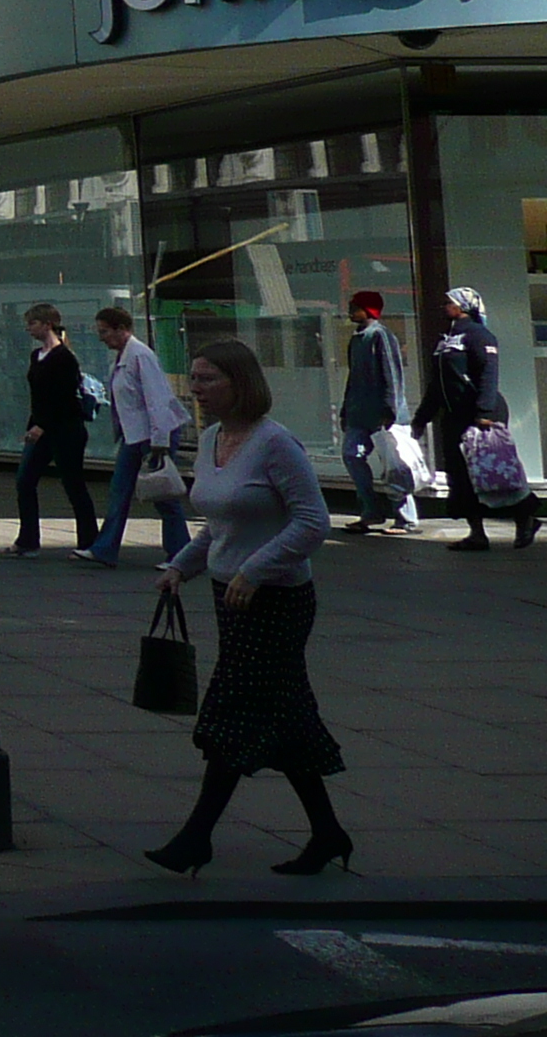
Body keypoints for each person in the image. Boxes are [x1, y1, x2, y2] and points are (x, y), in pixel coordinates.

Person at [144, 338, 349, 877]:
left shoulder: (276, 444)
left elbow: (313, 522)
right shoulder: (212, 439)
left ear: (241, 382)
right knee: (282, 718)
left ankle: (196, 838)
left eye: (209, 379)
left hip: (276, 599)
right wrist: (180, 567)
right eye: (194, 377)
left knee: (231, 715)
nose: (197, 389)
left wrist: (255, 570)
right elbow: (220, 524)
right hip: (228, 595)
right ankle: (327, 833)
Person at [415, 286, 538, 552]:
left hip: (481, 414)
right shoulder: (446, 339)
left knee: (492, 471)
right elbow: (438, 384)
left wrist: (483, 412)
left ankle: (525, 515)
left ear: (463, 306)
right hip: (454, 416)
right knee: (460, 475)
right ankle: (477, 533)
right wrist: (421, 418)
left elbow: (488, 374)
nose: (444, 306)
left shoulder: (478, 335)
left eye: (449, 302)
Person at [79, 306, 191, 568]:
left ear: (121, 329)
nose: (101, 337)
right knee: (120, 491)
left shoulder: (141, 356)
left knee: (163, 494)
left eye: (104, 331)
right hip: (134, 436)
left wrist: (160, 441)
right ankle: (104, 549)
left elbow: (157, 399)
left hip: (152, 435)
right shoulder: (122, 358)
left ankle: (181, 553)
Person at [11, 304, 99, 557]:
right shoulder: (36, 355)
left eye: (33, 323)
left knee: (73, 483)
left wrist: (42, 425)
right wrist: (34, 425)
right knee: (24, 481)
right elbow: (38, 397)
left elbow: (64, 399)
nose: (29, 329)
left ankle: (89, 541)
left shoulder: (65, 358)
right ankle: (27, 540)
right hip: (40, 427)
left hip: (65, 430)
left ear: (47, 324)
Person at [336, 291, 417, 537]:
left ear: (368, 310)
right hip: (358, 413)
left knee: (394, 465)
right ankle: (370, 510)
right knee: (352, 455)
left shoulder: (380, 336)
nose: (350, 310)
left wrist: (390, 409)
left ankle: (405, 518)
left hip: (382, 416)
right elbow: (353, 377)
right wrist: (345, 410)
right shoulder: (357, 339)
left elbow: (392, 374)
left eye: (355, 306)